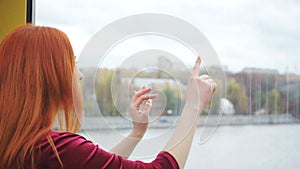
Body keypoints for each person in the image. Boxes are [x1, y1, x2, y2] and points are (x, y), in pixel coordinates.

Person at [0, 24, 217, 169]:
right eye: (73, 65)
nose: (81, 76)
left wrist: (136, 132)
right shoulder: (53, 150)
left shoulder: (20, 145)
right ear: (50, 75)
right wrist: (193, 105)